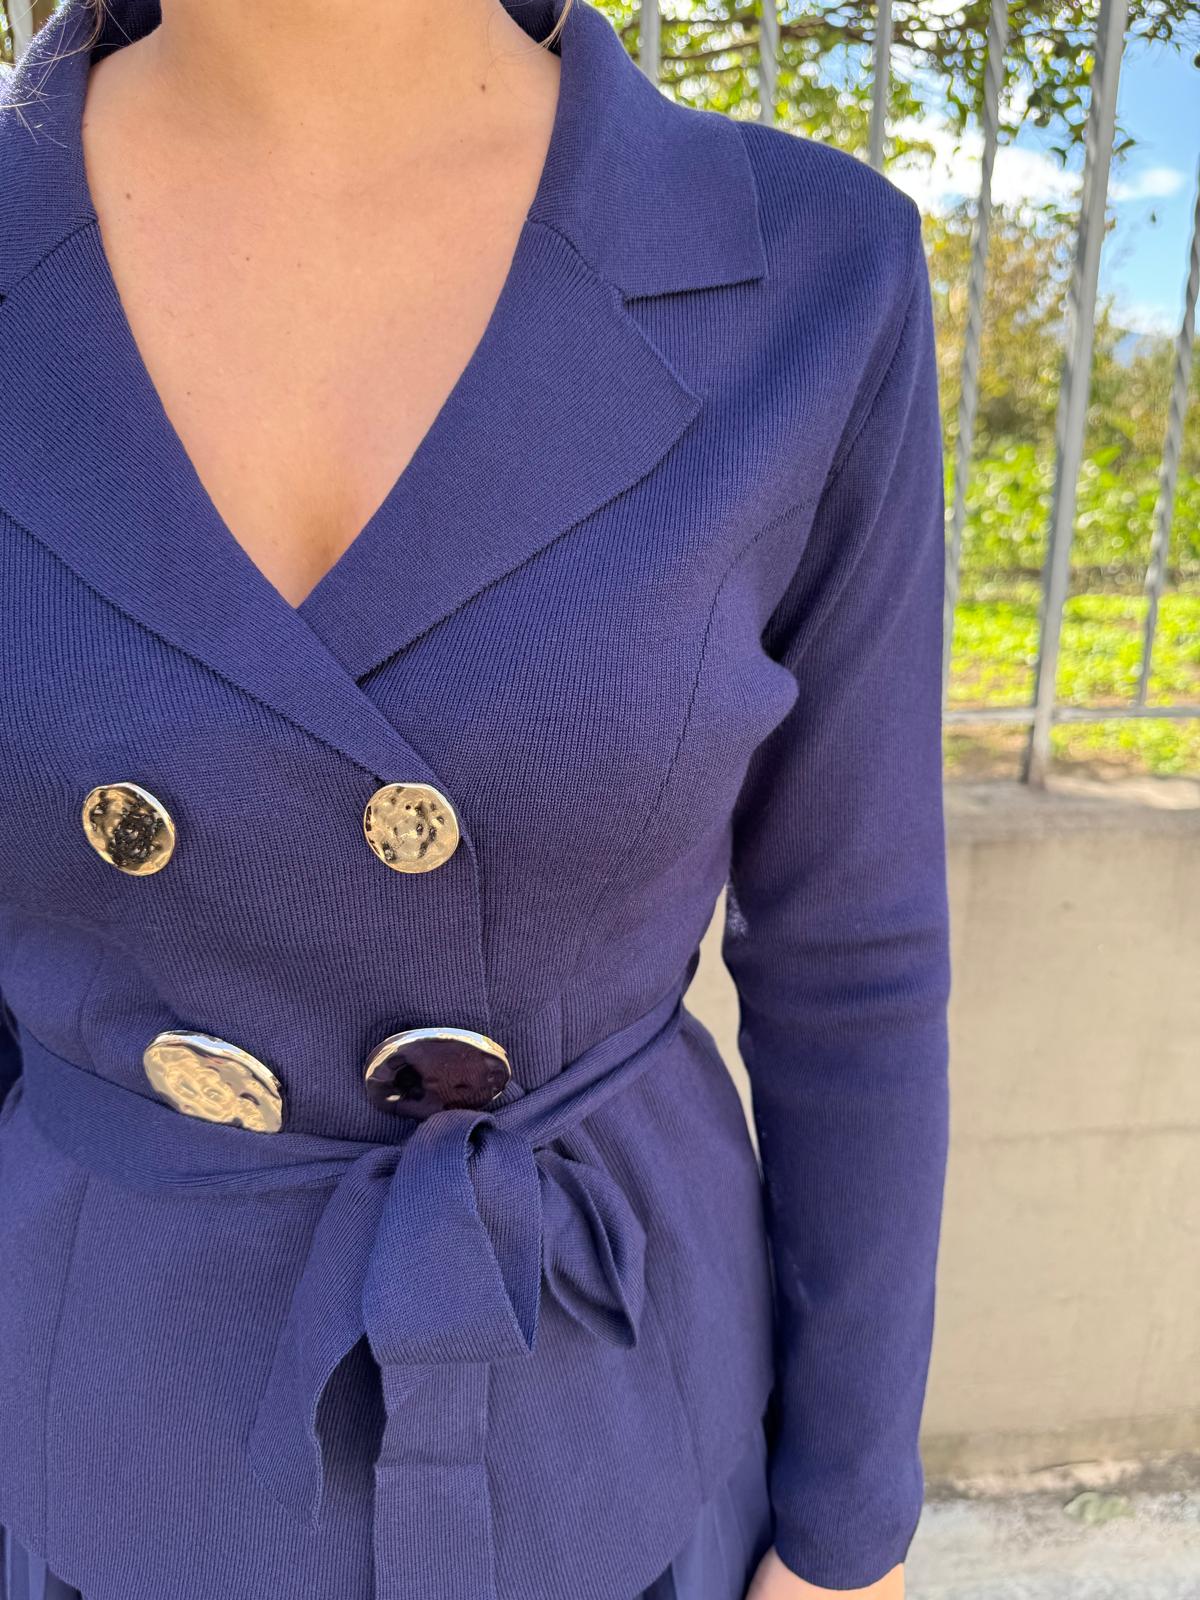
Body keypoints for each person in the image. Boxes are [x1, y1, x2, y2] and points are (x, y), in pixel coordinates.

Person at [0, 0, 952, 1596]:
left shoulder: (811, 269)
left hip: (609, 1422)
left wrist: (848, 1533)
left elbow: (851, 957)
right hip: (95, 1426)